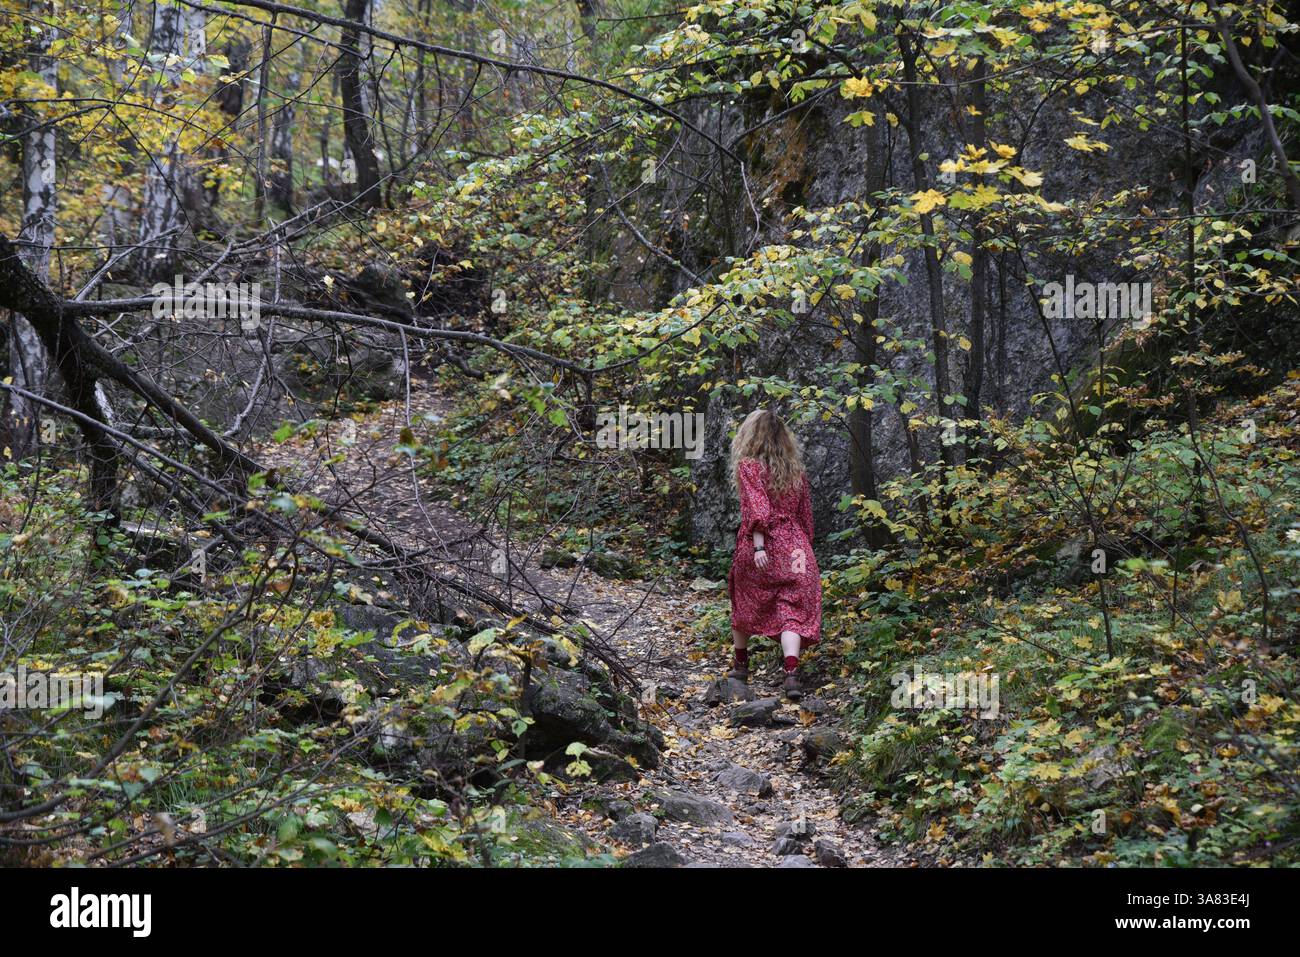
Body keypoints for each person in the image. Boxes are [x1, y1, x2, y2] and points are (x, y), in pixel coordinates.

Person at [726, 409, 822, 701]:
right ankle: (791, 673)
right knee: (791, 609)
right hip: (795, 546)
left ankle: (741, 665)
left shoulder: (750, 466)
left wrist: (758, 547)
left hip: (762, 546)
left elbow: (758, 510)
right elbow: (806, 516)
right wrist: (805, 549)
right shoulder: (795, 470)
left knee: (744, 600)